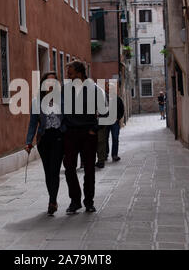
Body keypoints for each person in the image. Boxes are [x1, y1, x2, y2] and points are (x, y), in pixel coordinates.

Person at [62, 61, 105, 214]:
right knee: (69, 168)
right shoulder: (64, 90)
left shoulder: (94, 90)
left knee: (89, 170)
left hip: (88, 134)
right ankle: (75, 200)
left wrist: (94, 129)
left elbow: (105, 113)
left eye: (71, 74)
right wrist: (64, 128)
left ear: (80, 74)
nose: (68, 76)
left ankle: (89, 201)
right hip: (70, 134)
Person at [25, 72, 64, 216]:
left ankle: (52, 201)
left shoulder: (63, 100)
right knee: (48, 171)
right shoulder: (37, 101)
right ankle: (52, 199)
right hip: (44, 138)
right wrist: (28, 142)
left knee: (55, 170)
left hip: (59, 137)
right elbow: (33, 123)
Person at [106, 83, 125, 162]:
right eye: (108, 88)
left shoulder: (118, 99)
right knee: (104, 138)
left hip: (114, 122)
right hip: (106, 121)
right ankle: (105, 154)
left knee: (115, 138)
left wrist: (118, 117)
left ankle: (114, 155)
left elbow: (122, 109)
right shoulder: (104, 98)